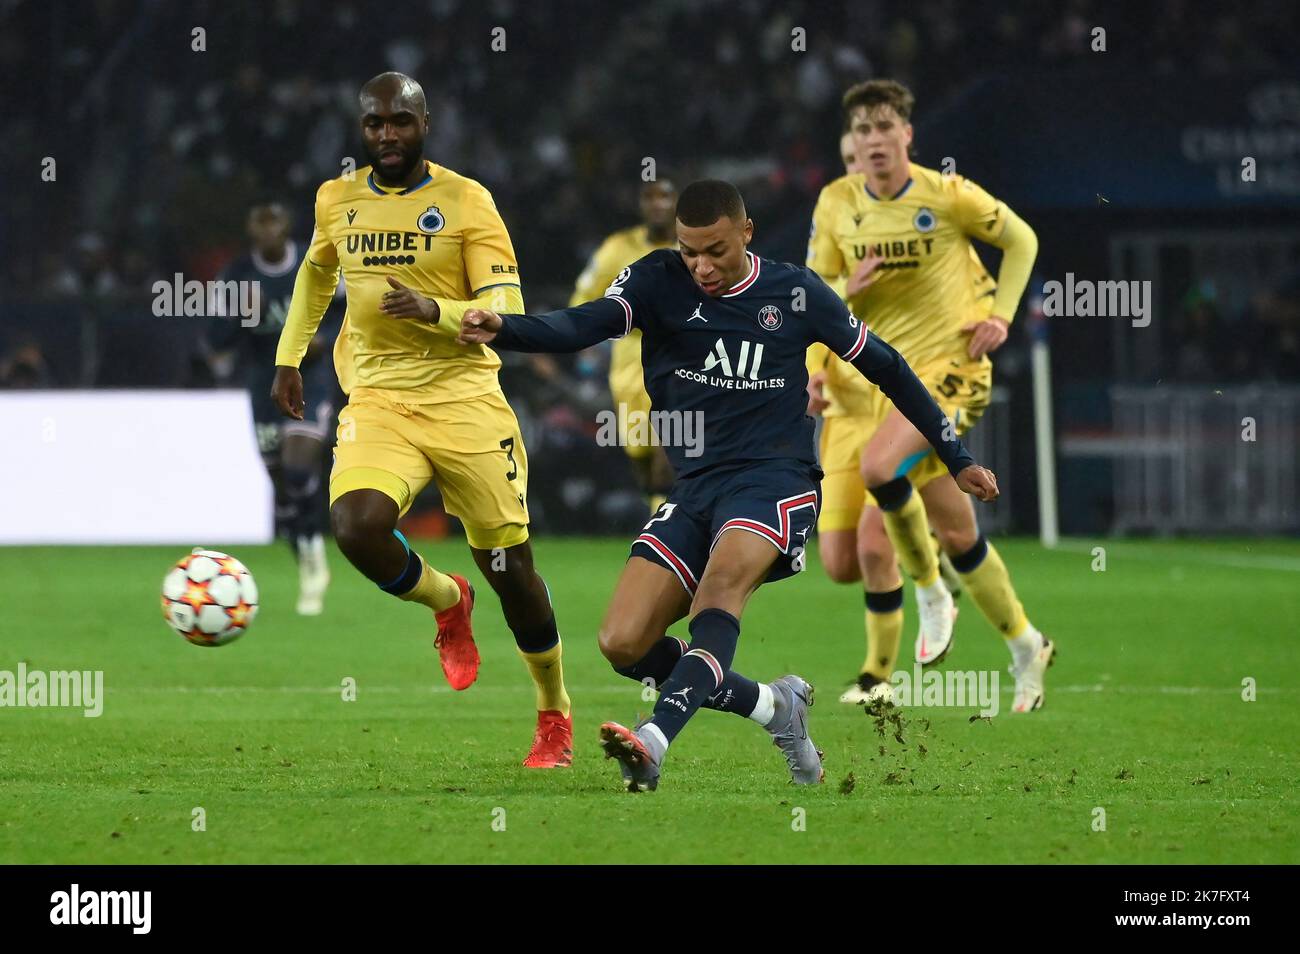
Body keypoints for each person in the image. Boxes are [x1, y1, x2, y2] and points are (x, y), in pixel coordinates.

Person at [458, 179, 998, 792]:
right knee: (624, 643)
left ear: (747, 232)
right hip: (695, 489)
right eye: (690, 251)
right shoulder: (657, 279)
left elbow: (888, 367)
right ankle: (776, 708)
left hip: (776, 480)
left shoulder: (794, 293)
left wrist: (954, 456)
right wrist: (502, 326)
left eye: (715, 250)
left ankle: (655, 742)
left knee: (719, 590)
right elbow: (583, 324)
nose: (702, 266)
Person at [271, 72, 573, 768]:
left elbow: (509, 311)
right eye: (374, 123)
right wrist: (290, 355)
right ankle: (446, 599)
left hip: (466, 402)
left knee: (511, 569)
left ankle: (554, 710)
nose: (386, 135)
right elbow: (317, 273)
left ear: (424, 124)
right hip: (378, 399)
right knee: (356, 526)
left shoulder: (467, 203)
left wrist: (434, 311)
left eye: (400, 122)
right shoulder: (336, 200)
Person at [808, 78, 1052, 712]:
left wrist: (1001, 313)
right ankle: (1027, 644)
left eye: (886, 127)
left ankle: (928, 593)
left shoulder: (946, 195)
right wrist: (814, 362)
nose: (875, 140)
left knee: (881, 469)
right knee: (955, 529)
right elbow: (814, 290)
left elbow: (1021, 239)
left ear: (907, 135)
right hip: (883, 384)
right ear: (852, 143)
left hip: (952, 370)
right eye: (863, 130)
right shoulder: (836, 203)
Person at [805, 130, 963, 703]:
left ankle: (877, 675)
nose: (858, 172)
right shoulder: (835, 215)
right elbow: (812, 300)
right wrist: (813, 369)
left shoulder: (918, 220)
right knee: (841, 562)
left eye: (863, 159)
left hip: (897, 396)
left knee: (875, 547)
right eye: (847, 160)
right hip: (844, 407)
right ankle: (937, 555)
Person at [207, 199, 337, 615]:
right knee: (280, 487)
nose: (267, 231)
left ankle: (316, 551)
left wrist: (325, 342)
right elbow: (215, 341)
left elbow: (351, 311)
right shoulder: (237, 275)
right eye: (259, 223)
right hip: (263, 384)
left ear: (286, 226)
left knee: (299, 468)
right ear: (251, 230)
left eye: (274, 222)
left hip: (308, 378)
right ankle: (303, 551)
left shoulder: (314, 262)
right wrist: (243, 317)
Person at [569, 179, 678, 511]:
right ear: (639, 203)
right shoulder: (618, 248)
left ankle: (670, 538)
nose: (657, 204)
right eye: (649, 196)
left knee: (669, 452)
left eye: (665, 196)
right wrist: (585, 339)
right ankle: (659, 515)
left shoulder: (695, 248)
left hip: (681, 363)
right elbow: (584, 298)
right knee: (641, 457)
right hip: (628, 368)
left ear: (677, 201)